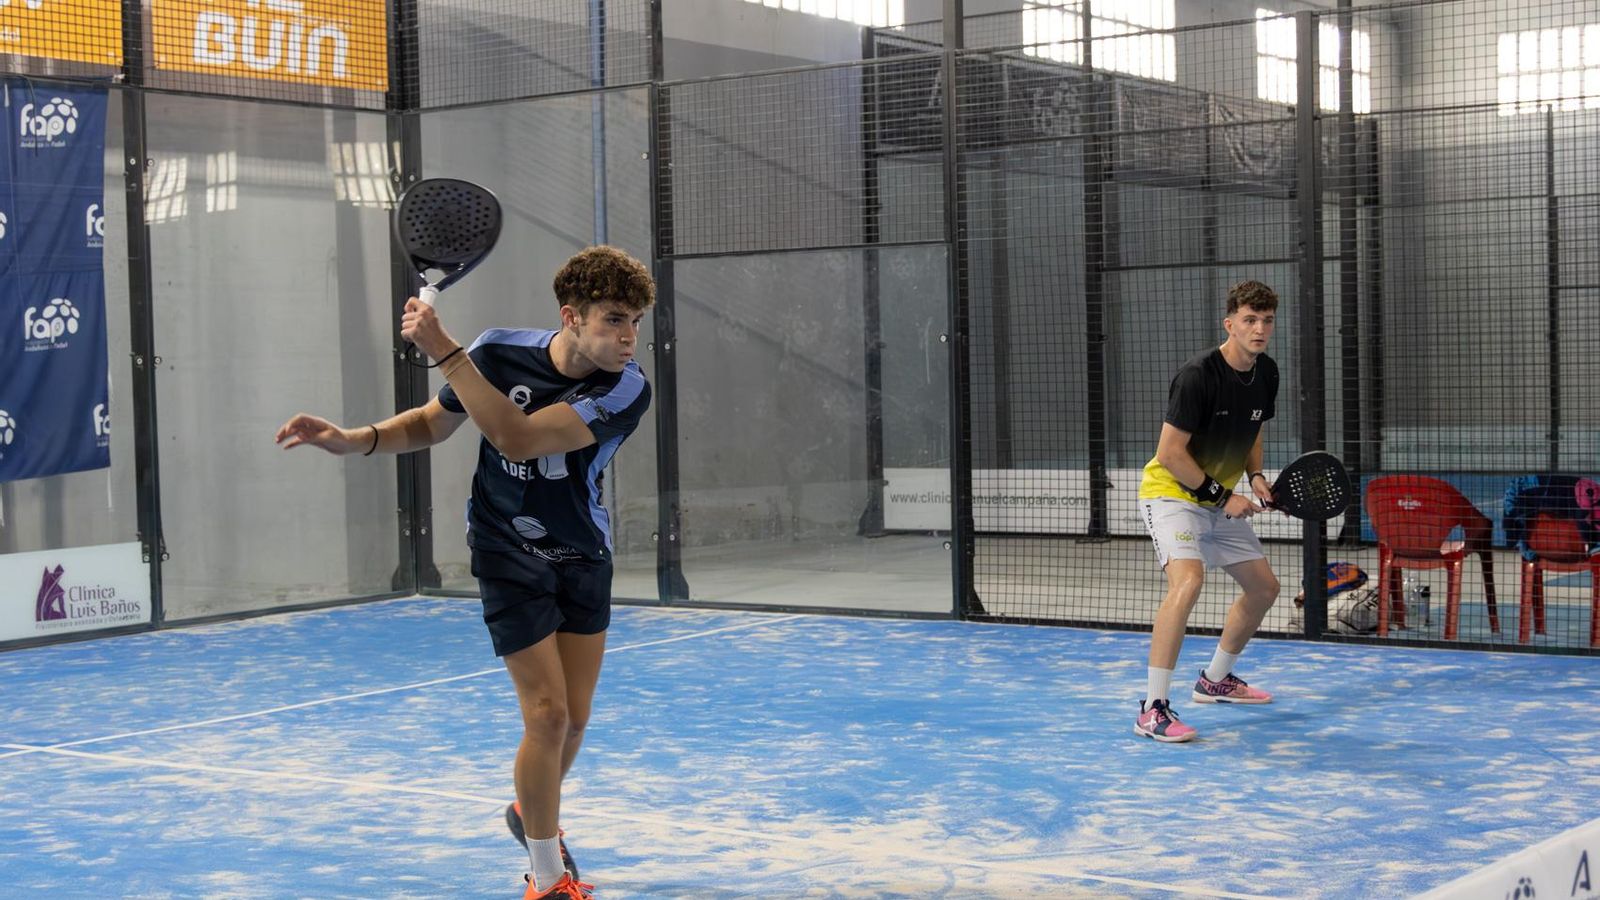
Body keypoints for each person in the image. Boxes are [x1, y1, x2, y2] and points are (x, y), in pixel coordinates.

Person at [275, 246, 656, 898]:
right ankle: (546, 874)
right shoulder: (498, 351)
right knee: (546, 715)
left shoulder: (626, 386)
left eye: (635, 323)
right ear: (571, 317)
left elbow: (520, 437)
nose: (628, 337)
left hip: (581, 554)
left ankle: (527, 811)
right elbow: (430, 424)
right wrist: (350, 439)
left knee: (576, 719)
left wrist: (445, 349)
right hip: (505, 548)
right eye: (614, 320)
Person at [1133, 280, 1283, 743]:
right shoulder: (1198, 375)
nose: (1259, 329)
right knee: (1189, 581)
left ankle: (1215, 680)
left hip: (1218, 498)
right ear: (1230, 324)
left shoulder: (1265, 373)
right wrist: (1224, 496)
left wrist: (1255, 476)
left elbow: (1253, 430)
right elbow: (1171, 452)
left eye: (1267, 321)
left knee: (1263, 588)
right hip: (1173, 494)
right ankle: (1153, 709)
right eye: (1250, 320)